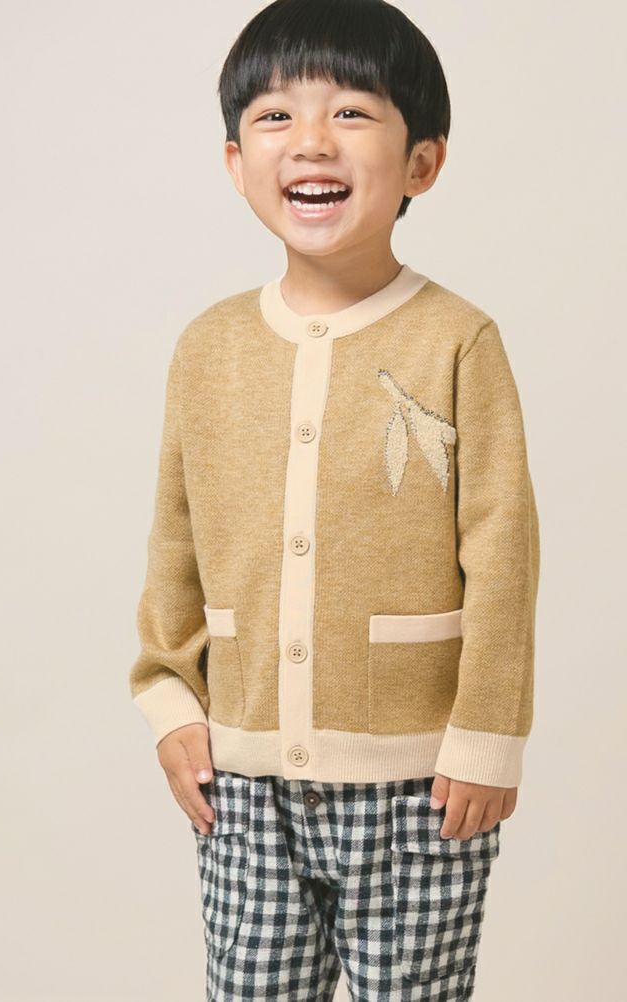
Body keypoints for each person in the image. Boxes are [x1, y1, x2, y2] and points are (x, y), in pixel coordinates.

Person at [128, 0, 540, 997]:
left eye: (352, 112)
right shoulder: (207, 348)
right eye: (275, 115)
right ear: (237, 163)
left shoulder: (458, 341)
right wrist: (168, 701)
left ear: (422, 162)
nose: (311, 139)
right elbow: (176, 542)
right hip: (244, 780)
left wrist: (488, 737)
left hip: (420, 784)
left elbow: (504, 550)